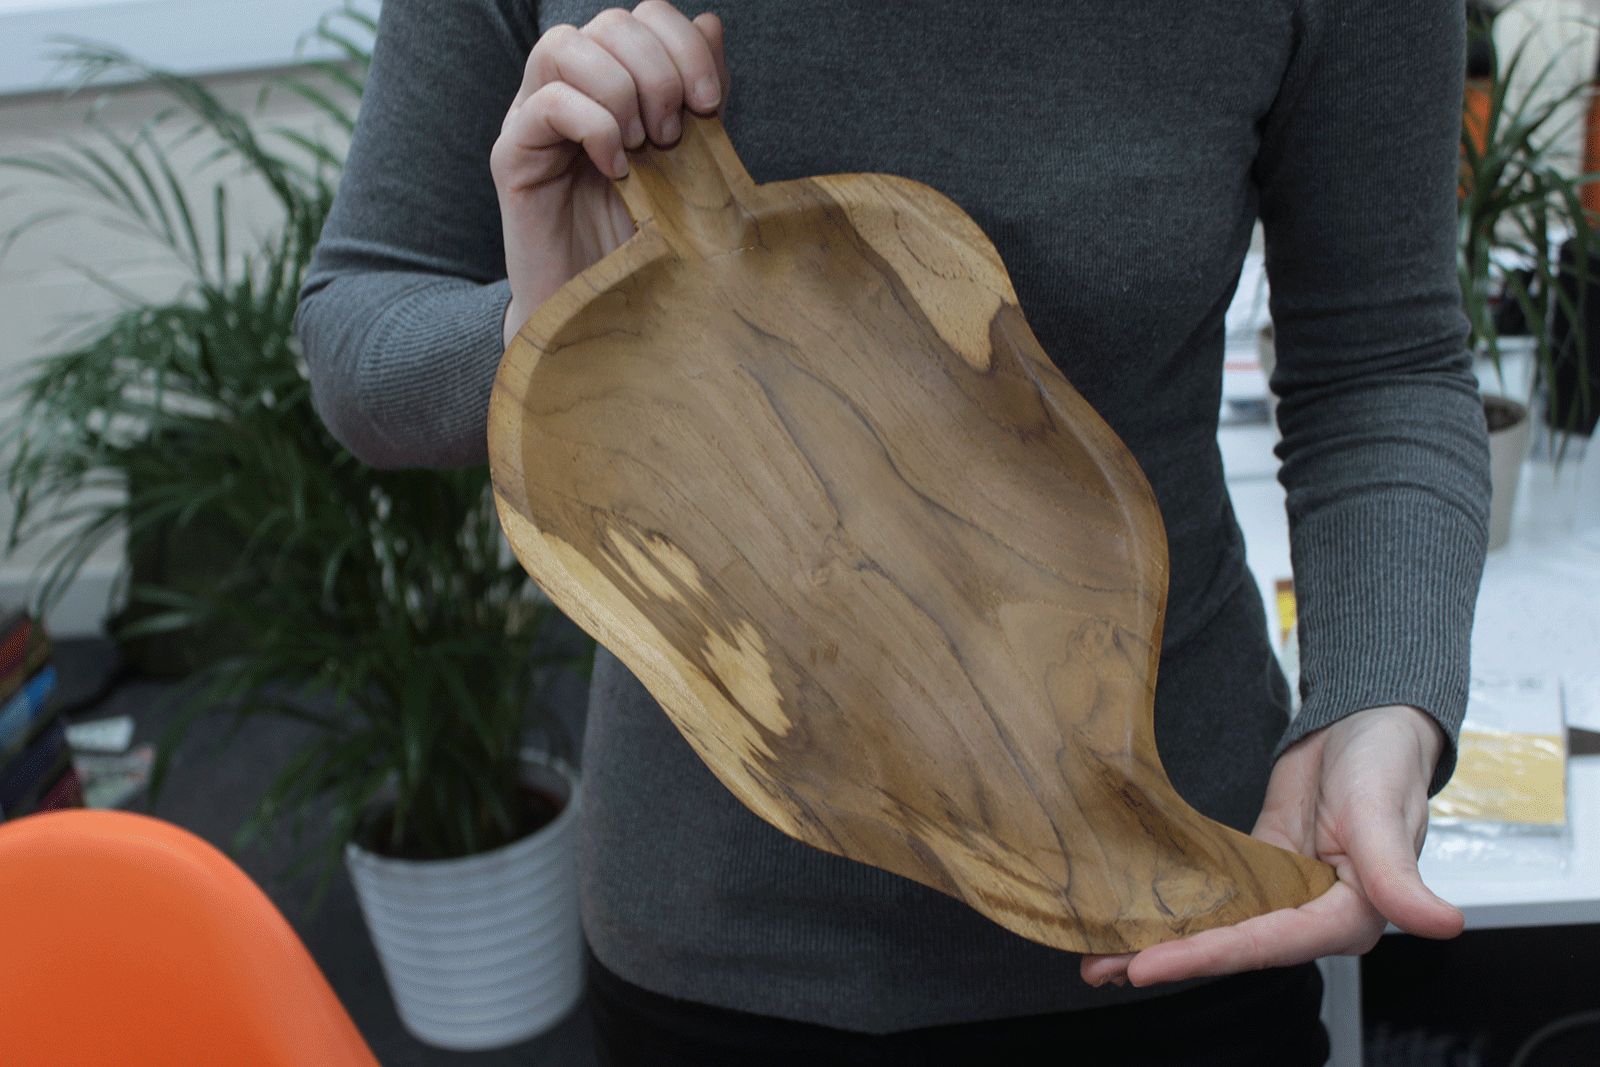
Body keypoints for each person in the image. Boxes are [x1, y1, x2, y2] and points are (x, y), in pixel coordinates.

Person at [295, 2, 1492, 1063]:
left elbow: (1382, 366)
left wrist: (1377, 697)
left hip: (1181, 896)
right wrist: (547, 324)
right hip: (717, 933)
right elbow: (358, 336)